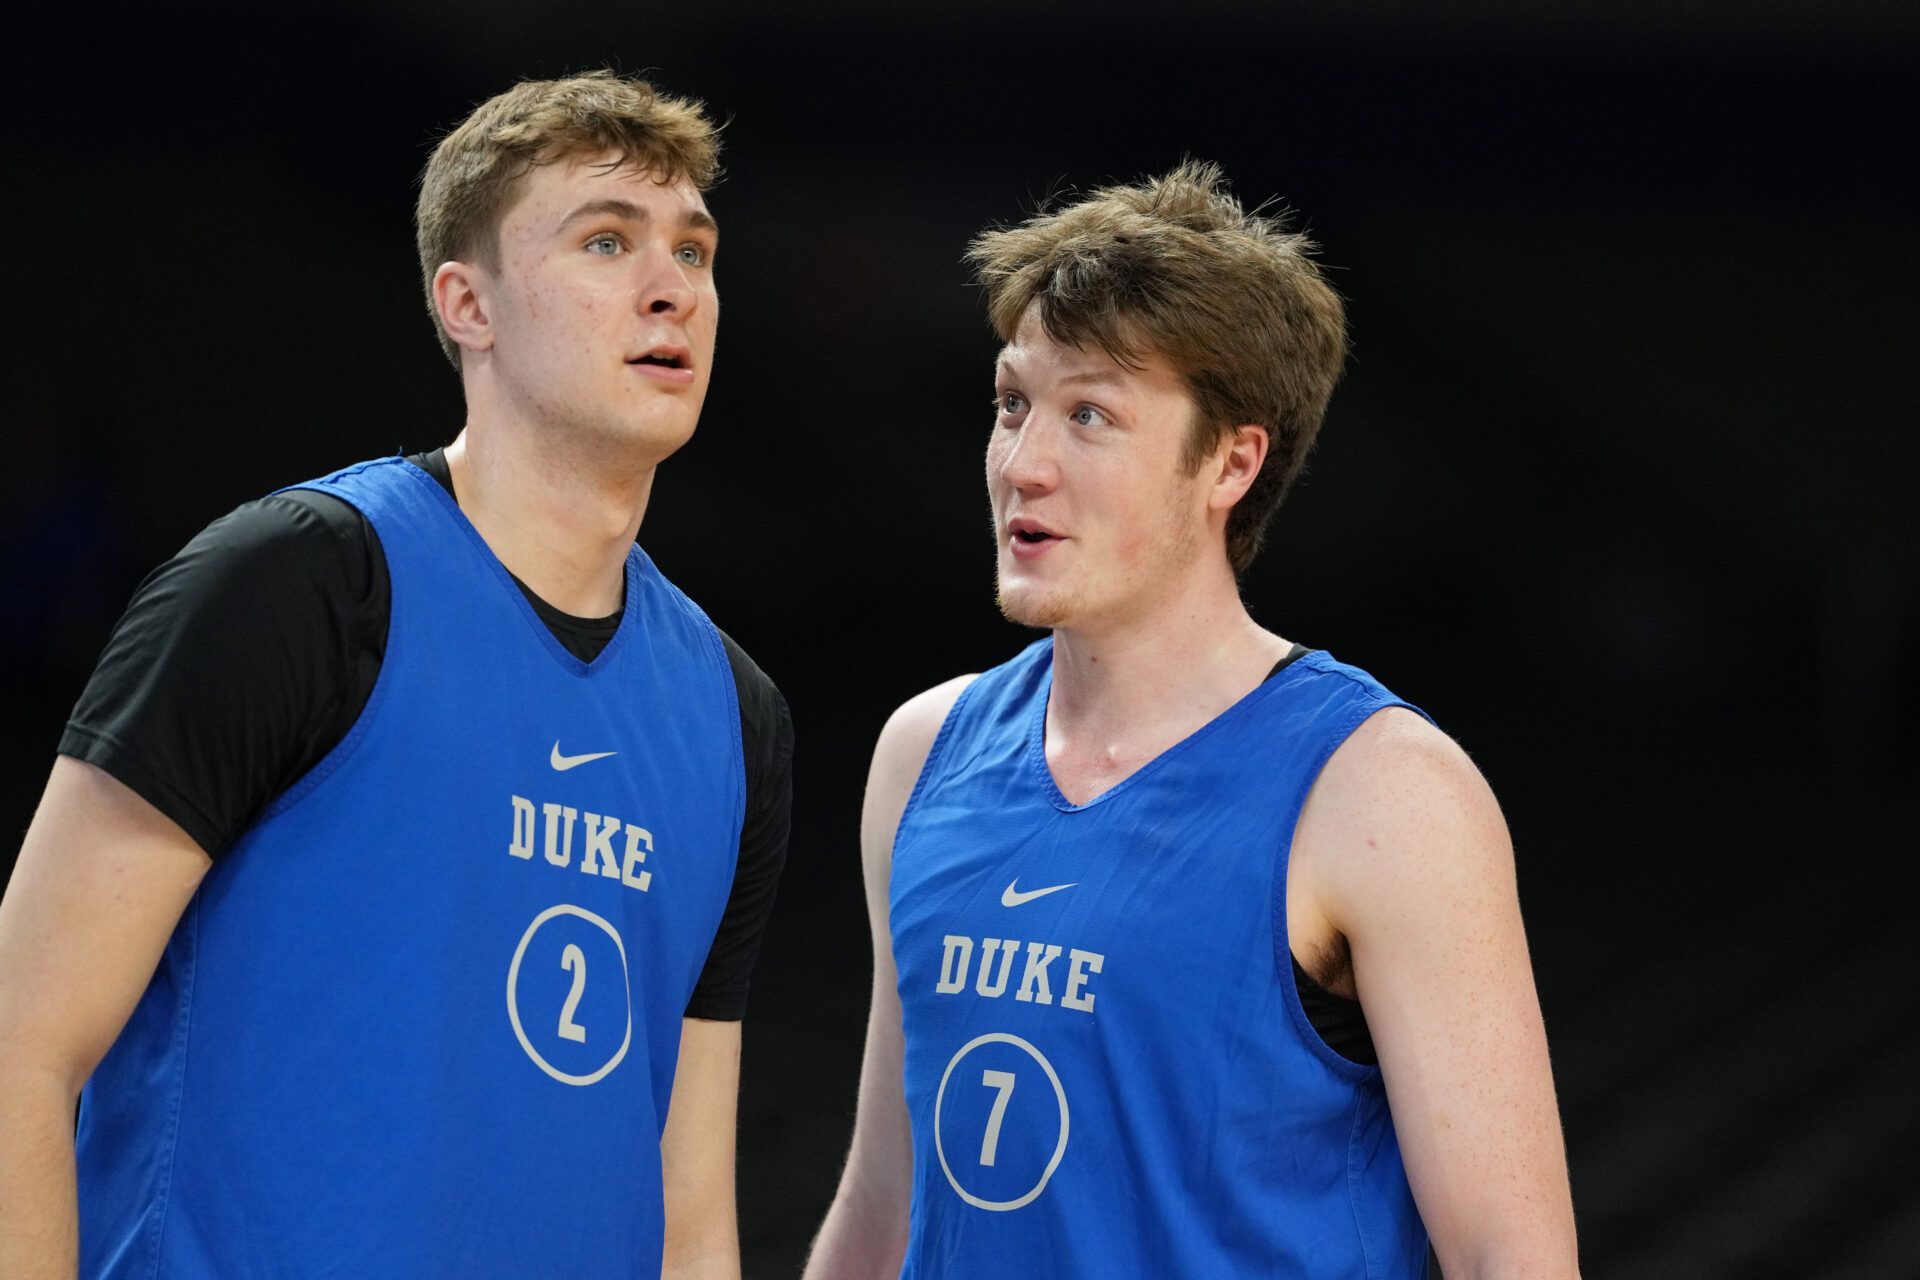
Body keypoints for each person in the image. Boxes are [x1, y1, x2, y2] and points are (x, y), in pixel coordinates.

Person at [0, 71, 790, 1279]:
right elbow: (22, 1038)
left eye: (695, 248)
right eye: (606, 239)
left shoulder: (735, 714)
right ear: (466, 302)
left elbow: (690, 1213)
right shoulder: (296, 583)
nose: (671, 284)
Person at [805, 162, 1577, 1278]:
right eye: (1013, 402)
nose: (1024, 464)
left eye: (1091, 415)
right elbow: (884, 1211)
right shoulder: (922, 752)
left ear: (1231, 459)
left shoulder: (1389, 791)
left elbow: (1517, 1259)